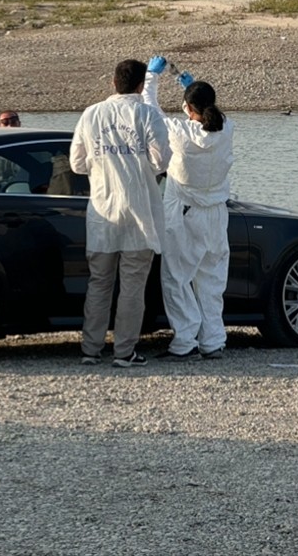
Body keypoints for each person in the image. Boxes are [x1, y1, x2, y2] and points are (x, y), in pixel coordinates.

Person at [70, 59, 171, 367]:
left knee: (99, 283)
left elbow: (76, 163)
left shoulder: (92, 114)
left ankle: (91, 349)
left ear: (113, 83)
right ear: (141, 86)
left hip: (102, 212)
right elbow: (162, 160)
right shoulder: (147, 113)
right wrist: (139, 168)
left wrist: (102, 167)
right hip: (139, 214)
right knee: (131, 287)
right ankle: (124, 351)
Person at [143, 55, 235, 359]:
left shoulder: (181, 133)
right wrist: (191, 86)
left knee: (177, 278)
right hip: (217, 216)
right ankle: (213, 340)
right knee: (211, 280)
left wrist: (151, 78)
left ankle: (184, 341)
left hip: (185, 213)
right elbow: (212, 114)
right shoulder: (227, 130)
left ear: (187, 109)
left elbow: (149, 111)